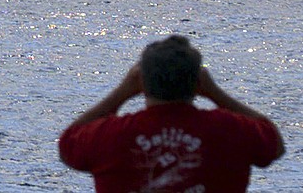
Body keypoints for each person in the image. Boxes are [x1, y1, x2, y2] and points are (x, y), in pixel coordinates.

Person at [59, 34, 284, 192]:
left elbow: (68, 144)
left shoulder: (109, 135)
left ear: (141, 83)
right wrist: (216, 94)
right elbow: (273, 144)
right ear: (198, 83)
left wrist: (122, 92)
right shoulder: (231, 130)